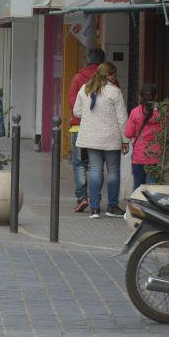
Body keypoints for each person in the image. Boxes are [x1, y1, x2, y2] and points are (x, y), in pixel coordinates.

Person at [73, 62, 128, 219]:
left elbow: (77, 112)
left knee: (95, 170)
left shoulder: (85, 89)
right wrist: (125, 140)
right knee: (113, 171)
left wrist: (91, 117)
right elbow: (122, 118)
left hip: (91, 138)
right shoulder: (115, 92)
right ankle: (112, 206)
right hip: (111, 138)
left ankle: (95, 209)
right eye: (114, 74)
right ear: (109, 75)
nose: (115, 77)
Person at [67, 48, 106, 213]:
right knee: (97, 164)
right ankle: (95, 197)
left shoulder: (78, 77)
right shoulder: (108, 78)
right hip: (101, 128)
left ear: (88, 59)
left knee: (79, 164)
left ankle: (82, 198)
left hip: (79, 126)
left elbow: (72, 101)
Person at [124, 83, 162, 190]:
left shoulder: (135, 112)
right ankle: (150, 206)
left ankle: (138, 206)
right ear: (156, 97)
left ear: (140, 96)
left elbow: (128, 133)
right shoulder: (161, 113)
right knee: (152, 187)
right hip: (154, 156)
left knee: (138, 186)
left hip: (138, 156)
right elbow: (166, 132)